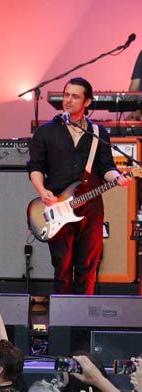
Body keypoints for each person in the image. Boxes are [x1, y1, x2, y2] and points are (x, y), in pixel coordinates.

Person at [28, 77, 131, 294]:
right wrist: (42, 191)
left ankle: (84, 323)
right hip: (57, 204)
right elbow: (35, 167)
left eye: (75, 96)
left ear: (87, 102)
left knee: (88, 266)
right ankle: (64, 322)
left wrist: (117, 178)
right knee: (62, 266)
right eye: (66, 95)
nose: (69, 100)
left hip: (91, 205)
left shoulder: (98, 133)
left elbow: (106, 167)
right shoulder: (46, 132)